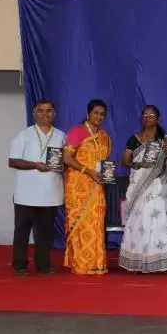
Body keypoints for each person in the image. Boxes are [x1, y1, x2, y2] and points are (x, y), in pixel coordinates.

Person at [118, 105, 167, 274]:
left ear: (158, 119)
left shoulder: (166, 141)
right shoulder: (134, 139)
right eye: (144, 115)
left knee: (157, 223)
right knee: (138, 222)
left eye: (151, 115)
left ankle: (157, 262)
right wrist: (138, 164)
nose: (147, 118)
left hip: (158, 187)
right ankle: (136, 261)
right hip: (139, 186)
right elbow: (125, 160)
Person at [7, 100, 66, 275]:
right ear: (34, 113)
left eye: (48, 110)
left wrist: (64, 167)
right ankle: (20, 265)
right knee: (22, 231)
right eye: (40, 111)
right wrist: (35, 165)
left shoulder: (62, 136)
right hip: (26, 193)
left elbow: (67, 161)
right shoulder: (24, 135)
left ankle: (43, 265)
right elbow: (13, 161)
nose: (44, 114)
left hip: (50, 193)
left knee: (45, 232)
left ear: (54, 113)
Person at [62, 99, 112, 275]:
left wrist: (106, 174)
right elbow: (67, 158)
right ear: (88, 114)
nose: (99, 116)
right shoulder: (77, 132)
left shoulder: (105, 136)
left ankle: (96, 263)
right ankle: (81, 264)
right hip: (78, 186)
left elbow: (104, 162)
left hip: (97, 186)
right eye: (95, 113)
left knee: (96, 223)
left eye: (102, 114)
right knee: (80, 223)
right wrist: (87, 170)